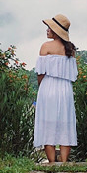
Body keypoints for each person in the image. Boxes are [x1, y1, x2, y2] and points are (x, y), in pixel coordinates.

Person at [34, 14, 78, 163]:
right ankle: (64, 162)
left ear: (55, 30)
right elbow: (73, 74)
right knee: (66, 123)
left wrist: (41, 88)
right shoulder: (70, 49)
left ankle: (52, 162)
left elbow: (41, 73)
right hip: (65, 88)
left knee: (48, 123)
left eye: (49, 28)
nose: (47, 30)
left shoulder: (46, 47)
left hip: (49, 87)